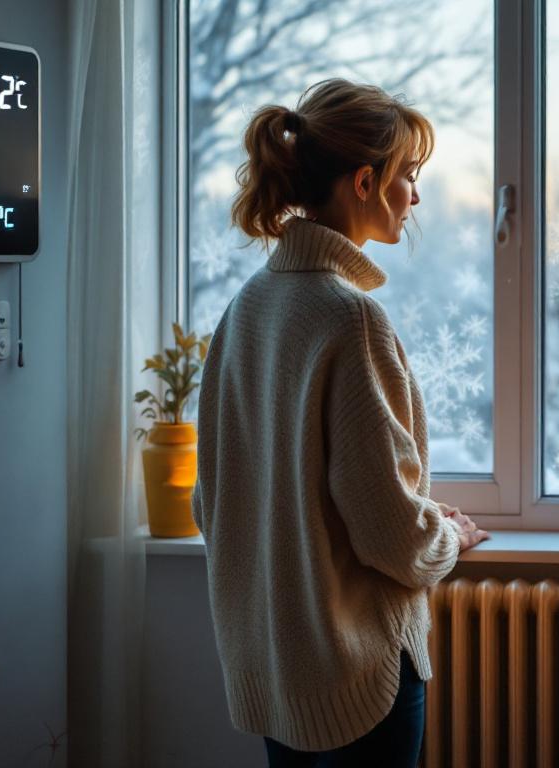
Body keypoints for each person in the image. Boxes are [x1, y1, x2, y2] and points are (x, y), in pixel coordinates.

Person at [191, 78, 490, 768]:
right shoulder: (348, 318)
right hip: (360, 681)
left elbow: (212, 502)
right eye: (407, 177)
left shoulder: (248, 308)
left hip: (278, 670)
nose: (415, 197)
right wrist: (447, 534)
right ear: (364, 182)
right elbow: (390, 533)